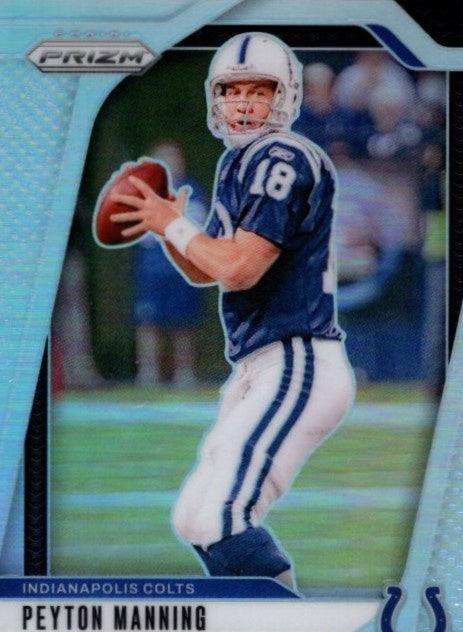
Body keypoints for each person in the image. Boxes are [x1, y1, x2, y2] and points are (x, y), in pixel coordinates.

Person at [110, 33, 354, 590]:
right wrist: (172, 229)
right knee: (193, 517)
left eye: (258, 91)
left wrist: (174, 225)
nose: (243, 103)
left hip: (297, 360)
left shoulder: (282, 156)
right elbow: (207, 268)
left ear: (285, 97)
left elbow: (240, 269)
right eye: (231, 91)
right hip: (258, 365)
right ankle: (271, 630)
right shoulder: (238, 161)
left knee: (221, 517)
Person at [133, 141, 208, 388]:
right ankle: (148, 373)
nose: (172, 163)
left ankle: (184, 373)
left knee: (183, 323)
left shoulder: (192, 190)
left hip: (182, 268)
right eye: (165, 158)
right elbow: (139, 230)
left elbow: (197, 226)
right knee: (148, 322)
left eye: (176, 158)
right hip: (152, 269)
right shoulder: (142, 190)